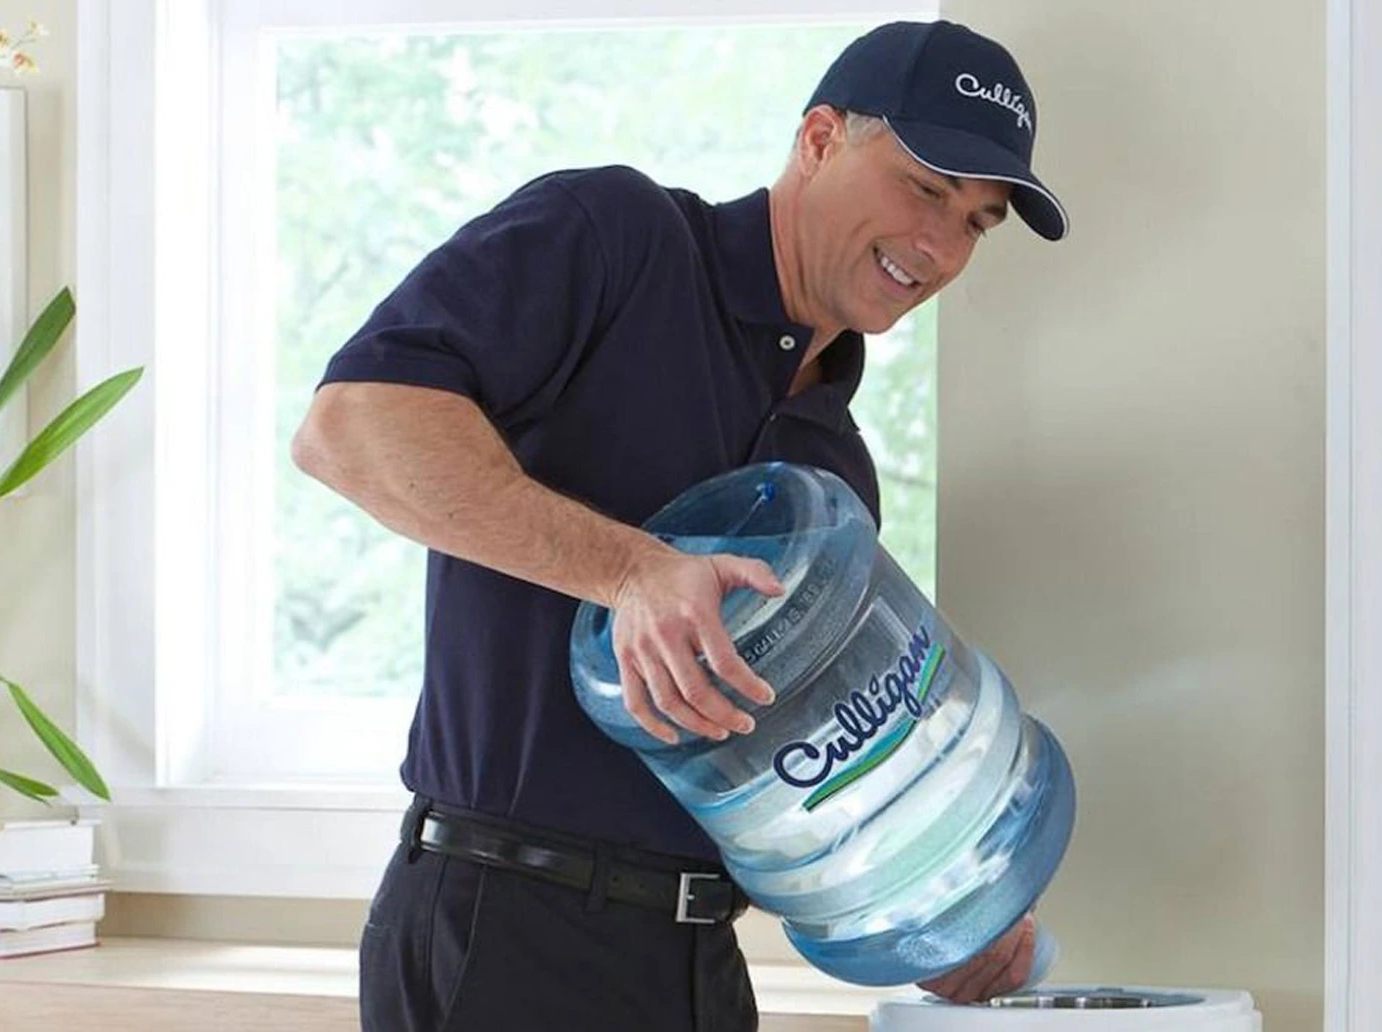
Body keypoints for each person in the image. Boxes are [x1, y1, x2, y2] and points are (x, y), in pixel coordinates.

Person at [292, 19, 1071, 1032]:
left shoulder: (831, 473)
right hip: (502, 931)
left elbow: (794, 782)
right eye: (924, 187)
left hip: (697, 963)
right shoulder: (613, 238)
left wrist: (932, 920)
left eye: (976, 220)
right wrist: (630, 571)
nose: (938, 244)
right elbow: (350, 427)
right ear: (820, 139)